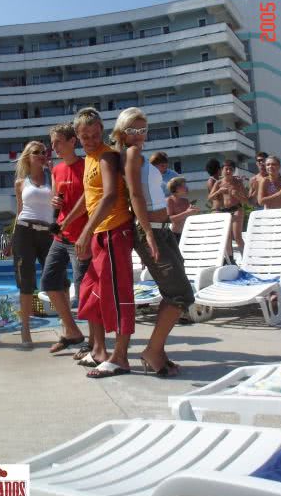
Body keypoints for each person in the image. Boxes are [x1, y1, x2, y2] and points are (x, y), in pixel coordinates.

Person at [112, 108, 195, 377]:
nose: (139, 135)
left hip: (162, 231)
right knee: (181, 293)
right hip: (151, 231)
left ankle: (158, 351)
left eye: (143, 129)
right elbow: (135, 195)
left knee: (174, 292)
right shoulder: (131, 154)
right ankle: (152, 350)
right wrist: (148, 232)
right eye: (132, 130)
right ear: (122, 132)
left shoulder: (137, 155)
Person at [72, 107, 134, 378]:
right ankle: (98, 350)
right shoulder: (89, 158)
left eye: (95, 134)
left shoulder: (107, 156)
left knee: (119, 296)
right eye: (85, 136)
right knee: (89, 292)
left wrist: (86, 231)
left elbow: (109, 196)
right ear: (77, 136)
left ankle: (120, 357)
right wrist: (67, 222)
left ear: (101, 131)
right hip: (100, 234)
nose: (90, 140)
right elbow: (89, 196)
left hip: (114, 232)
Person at [40, 123, 90, 354]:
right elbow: (56, 197)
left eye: (58, 142)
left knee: (83, 293)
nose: (55, 147)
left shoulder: (87, 166)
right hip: (61, 237)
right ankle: (72, 332)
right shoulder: (57, 170)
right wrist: (55, 202)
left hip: (82, 237)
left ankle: (95, 343)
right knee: (49, 282)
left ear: (72, 141)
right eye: (52, 144)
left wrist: (66, 221)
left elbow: (89, 201)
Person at [12, 141, 64, 349]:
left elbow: (60, 202)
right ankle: (25, 329)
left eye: (44, 151)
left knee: (57, 279)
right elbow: (19, 211)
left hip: (48, 233)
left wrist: (53, 172)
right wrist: (12, 239)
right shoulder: (20, 183)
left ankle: (66, 325)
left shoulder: (54, 177)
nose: (42, 154)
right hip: (24, 231)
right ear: (28, 157)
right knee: (26, 283)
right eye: (37, 152)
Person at [208, 159, 248, 257]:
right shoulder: (218, 183)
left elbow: (246, 200)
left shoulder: (238, 182)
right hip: (224, 211)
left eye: (231, 169)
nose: (228, 171)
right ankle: (231, 258)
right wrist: (219, 191)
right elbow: (209, 198)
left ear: (234, 171)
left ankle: (246, 257)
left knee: (237, 236)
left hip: (236, 209)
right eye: (226, 169)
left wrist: (237, 195)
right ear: (222, 170)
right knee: (227, 237)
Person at [166, 177, 199, 243]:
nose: (186, 187)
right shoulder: (170, 200)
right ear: (177, 188)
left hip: (188, 233)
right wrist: (187, 213)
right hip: (175, 235)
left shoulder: (185, 200)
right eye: (184, 185)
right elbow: (169, 219)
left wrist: (194, 212)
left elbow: (188, 216)